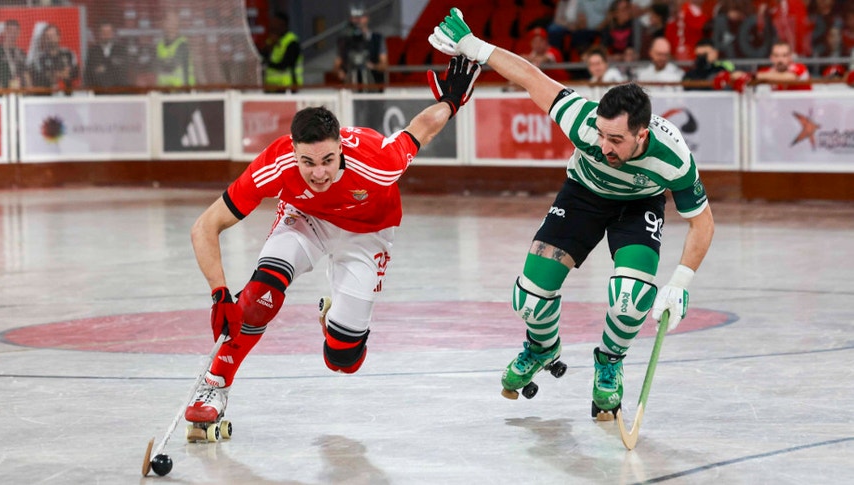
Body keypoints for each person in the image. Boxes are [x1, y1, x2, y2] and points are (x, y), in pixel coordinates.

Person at [429, 8, 714, 417]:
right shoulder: (582, 121)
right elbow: (530, 77)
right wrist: (475, 46)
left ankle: (610, 362)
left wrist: (681, 282)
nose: (604, 146)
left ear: (642, 135)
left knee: (632, 297)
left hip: (638, 206)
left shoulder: (674, 158)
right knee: (528, 299)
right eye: (601, 134)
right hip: (582, 194)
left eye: (616, 139)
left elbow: (702, 222)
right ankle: (542, 348)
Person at [183, 56, 481, 427]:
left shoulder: (378, 161)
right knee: (260, 295)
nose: (319, 173)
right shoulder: (275, 163)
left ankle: (334, 320)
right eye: (307, 162)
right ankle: (214, 385)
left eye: (327, 159)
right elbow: (205, 226)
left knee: (343, 360)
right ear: (293, 151)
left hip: (367, 232)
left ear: (340, 147)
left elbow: (420, 129)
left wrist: (450, 102)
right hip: (306, 220)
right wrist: (220, 295)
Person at [333, 4, 388, 90]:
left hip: (373, 86)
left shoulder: (377, 39)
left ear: (367, 18)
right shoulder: (344, 41)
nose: (358, 20)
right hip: (351, 87)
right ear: (351, 19)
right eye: (355, 17)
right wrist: (340, 72)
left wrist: (372, 66)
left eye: (361, 17)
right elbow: (336, 66)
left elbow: (384, 65)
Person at [260, 12, 303, 92]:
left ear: (283, 25)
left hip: (287, 87)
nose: (272, 27)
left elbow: (285, 65)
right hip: (270, 87)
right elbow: (261, 57)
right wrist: (270, 47)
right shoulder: (271, 41)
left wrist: (267, 64)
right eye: (272, 24)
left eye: (275, 24)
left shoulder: (292, 42)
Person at [28, 24, 78, 91]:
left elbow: (76, 73)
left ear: (59, 37)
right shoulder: (39, 58)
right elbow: (39, 77)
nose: (50, 39)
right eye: (47, 36)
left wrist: (55, 74)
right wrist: (60, 74)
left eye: (52, 35)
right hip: (47, 94)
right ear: (44, 39)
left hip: (67, 93)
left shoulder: (69, 54)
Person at [156, 11, 194, 87]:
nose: (172, 24)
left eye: (174, 21)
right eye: (169, 20)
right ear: (164, 23)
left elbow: (170, 66)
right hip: (164, 90)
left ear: (178, 23)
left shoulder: (182, 44)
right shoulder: (160, 45)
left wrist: (159, 64)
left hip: (182, 89)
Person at [84, 22, 128, 89]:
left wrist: (104, 68)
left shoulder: (121, 49)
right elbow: (88, 73)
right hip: (98, 90)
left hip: (118, 90)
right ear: (99, 34)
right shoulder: (92, 51)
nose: (106, 35)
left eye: (108, 32)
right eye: (103, 32)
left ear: (113, 33)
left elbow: (125, 70)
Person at [0, 19, 30, 89]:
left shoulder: (21, 53)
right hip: (2, 90)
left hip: (20, 90)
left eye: (15, 31)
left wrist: (30, 89)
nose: (12, 34)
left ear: (19, 33)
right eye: (10, 31)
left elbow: (26, 73)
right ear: (4, 32)